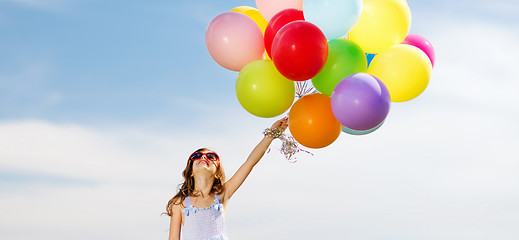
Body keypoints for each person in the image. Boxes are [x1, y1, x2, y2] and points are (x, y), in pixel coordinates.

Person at [165, 117, 288, 240]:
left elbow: (250, 162)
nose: (203, 157)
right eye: (197, 156)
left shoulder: (222, 194)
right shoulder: (180, 203)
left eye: (211, 156)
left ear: (217, 172)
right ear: (190, 172)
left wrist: (272, 133)